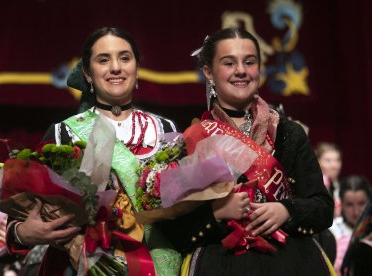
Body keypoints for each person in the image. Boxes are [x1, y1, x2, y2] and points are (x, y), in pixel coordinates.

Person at [159, 28, 335, 275]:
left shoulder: (288, 132)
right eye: (229, 63)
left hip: (292, 262)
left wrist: (286, 210)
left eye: (249, 62)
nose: (241, 70)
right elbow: (174, 229)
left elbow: (323, 208)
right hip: (220, 264)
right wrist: (217, 213)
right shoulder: (193, 138)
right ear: (209, 72)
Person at [5, 27, 180, 275]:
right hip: (83, 264)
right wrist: (23, 233)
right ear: (88, 73)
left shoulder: (165, 128)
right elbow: (21, 213)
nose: (116, 67)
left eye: (125, 58)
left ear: (137, 68)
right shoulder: (63, 134)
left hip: (159, 262)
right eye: (103, 60)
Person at [329, 175, 371, 275]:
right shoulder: (331, 232)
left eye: (361, 203)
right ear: (341, 204)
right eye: (349, 204)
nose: (356, 212)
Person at [315, 142, 343, 217]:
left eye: (337, 160)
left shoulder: (343, 186)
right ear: (317, 161)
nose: (334, 165)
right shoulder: (314, 187)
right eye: (328, 160)